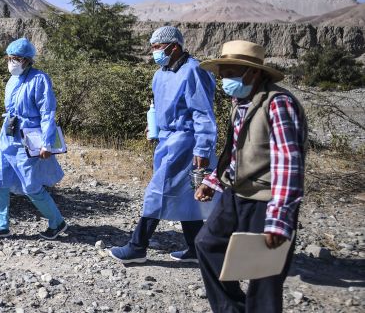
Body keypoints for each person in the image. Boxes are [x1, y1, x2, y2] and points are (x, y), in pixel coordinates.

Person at [195, 40, 308, 313]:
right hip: (236, 192)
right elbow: (236, 150)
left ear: (254, 72)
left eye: (231, 73)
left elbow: (288, 163)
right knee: (206, 244)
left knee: (264, 277)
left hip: (266, 199)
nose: (225, 80)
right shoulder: (241, 101)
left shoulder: (278, 104)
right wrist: (213, 181)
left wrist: (279, 218)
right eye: (223, 74)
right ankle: (231, 307)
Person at [108, 26, 218, 264]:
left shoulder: (193, 71)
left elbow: (202, 113)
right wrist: (154, 125)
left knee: (157, 191)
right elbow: (159, 107)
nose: (154, 52)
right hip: (167, 139)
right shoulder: (161, 73)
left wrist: (203, 148)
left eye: (158, 47)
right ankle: (196, 249)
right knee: (187, 194)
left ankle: (137, 246)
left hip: (186, 141)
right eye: (153, 47)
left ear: (174, 46)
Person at [0, 38, 68, 241]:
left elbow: (47, 111)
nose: (12, 62)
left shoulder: (40, 79)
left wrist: (47, 143)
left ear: (27, 60)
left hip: (28, 137)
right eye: (10, 58)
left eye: (17, 58)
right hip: (7, 136)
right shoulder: (12, 79)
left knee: (31, 184)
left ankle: (57, 222)